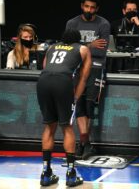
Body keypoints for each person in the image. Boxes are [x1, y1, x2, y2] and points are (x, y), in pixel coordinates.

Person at [37, 28, 91, 187]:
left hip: (43, 82)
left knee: (49, 126)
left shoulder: (51, 47)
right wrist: (75, 97)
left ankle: (46, 173)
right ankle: (71, 175)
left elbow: (46, 67)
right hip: (63, 82)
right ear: (78, 40)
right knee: (67, 127)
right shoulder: (82, 48)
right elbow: (84, 77)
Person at [65, 0, 110, 160]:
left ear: (97, 9)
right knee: (79, 105)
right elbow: (68, 48)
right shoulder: (72, 23)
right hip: (76, 68)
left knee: (90, 106)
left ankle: (85, 143)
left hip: (96, 67)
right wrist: (90, 45)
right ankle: (84, 143)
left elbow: (101, 51)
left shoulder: (103, 24)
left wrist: (81, 47)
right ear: (82, 6)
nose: (89, 10)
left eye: (92, 7)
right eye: (86, 7)